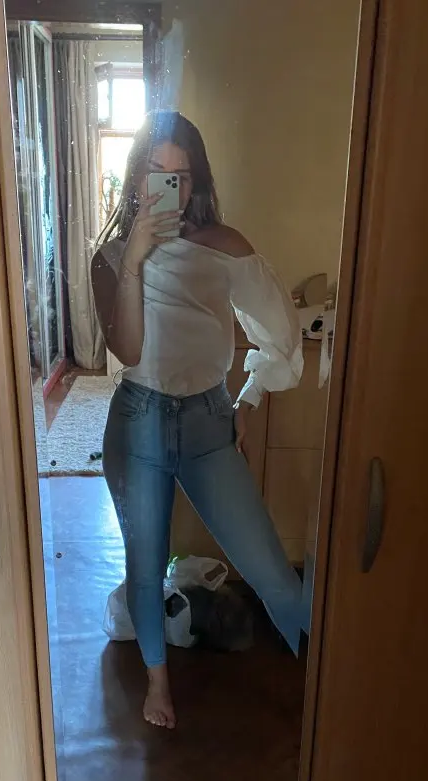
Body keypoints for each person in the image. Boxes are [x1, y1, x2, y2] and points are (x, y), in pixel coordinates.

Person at [92, 111, 306, 730]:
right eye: (156, 172)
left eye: (182, 176)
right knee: (146, 560)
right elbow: (129, 350)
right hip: (138, 418)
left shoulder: (224, 246)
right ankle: (157, 682)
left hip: (210, 421)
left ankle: (323, 672)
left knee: (270, 569)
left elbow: (281, 335)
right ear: (136, 178)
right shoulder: (110, 258)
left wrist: (248, 398)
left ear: (197, 183)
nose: (170, 187)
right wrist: (135, 259)